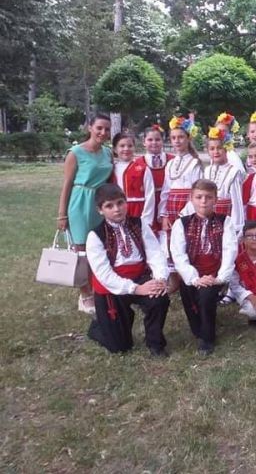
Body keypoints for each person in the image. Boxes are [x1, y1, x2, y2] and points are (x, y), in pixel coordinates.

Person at [85, 183, 170, 356]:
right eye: (109, 206)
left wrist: (160, 278)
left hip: (139, 276)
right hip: (111, 286)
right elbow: (104, 274)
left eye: (120, 203)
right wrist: (136, 289)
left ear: (126, 202)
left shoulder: (139, 224)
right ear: (100, 210)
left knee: (159, 298)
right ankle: (98, 326)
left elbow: (155, 252)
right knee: (120, 347)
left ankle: (155, 343)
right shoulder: (95, 236)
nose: (117, 209)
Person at [170, 179, 238, 355]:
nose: (203, 201)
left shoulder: (225, 221)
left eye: (208, 197)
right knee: (191, 302)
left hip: (215, 273)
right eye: (199, 197)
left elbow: (230, 250)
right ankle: (199, 328)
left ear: (216, 199)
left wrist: (220, 278)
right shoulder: (181, 223)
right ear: (191, 198)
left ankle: (207, 338)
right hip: (191, 273)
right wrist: (194, 278)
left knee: (206, 296)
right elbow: (178, 254)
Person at [57, 113, 113, 315]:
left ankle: (99, 288)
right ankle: (85, 294)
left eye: (107, 129)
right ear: (90, 128)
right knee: (81, 252)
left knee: (99, 248)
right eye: (99, 128)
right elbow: (67, 184)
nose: (103, 132)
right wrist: (62, 214)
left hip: (100, 204)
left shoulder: (108, 153)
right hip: (80, 203)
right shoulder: (75, 153)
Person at [158, 116, 203, 236]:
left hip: (188, 209)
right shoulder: (170, 164)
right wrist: (164, 215)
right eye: (173, 138)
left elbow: (197, 192)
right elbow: (166, 191)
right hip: (171, 209)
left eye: (181, 137)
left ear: (188, 138)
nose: (177, 141)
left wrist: (184, 214)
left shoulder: (194, 163)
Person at [197, 127, 244, 237]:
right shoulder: (207, 170)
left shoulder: (233, 172)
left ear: (226, 148)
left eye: (219, 148)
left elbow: (237, 203)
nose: (216, 152)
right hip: (208, 217)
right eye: (212, 149)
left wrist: (236, 228)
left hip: (226, 218)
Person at [111, 132, 155, 229]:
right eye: (122, 146)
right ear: (115, 149)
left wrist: (146, 220)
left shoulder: (142, 168)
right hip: (118, 211)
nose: (126, 149)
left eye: (130, 146)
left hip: (138, 211)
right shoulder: (112, 169)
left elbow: (150, 195)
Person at [135, 124, 173, 234]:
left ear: (163, 141)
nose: (154, 143)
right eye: (150, 140)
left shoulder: (172, 161)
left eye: (157, 139)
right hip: (147, 203)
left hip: (167, 202)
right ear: (144, 142)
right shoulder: (138, 163)